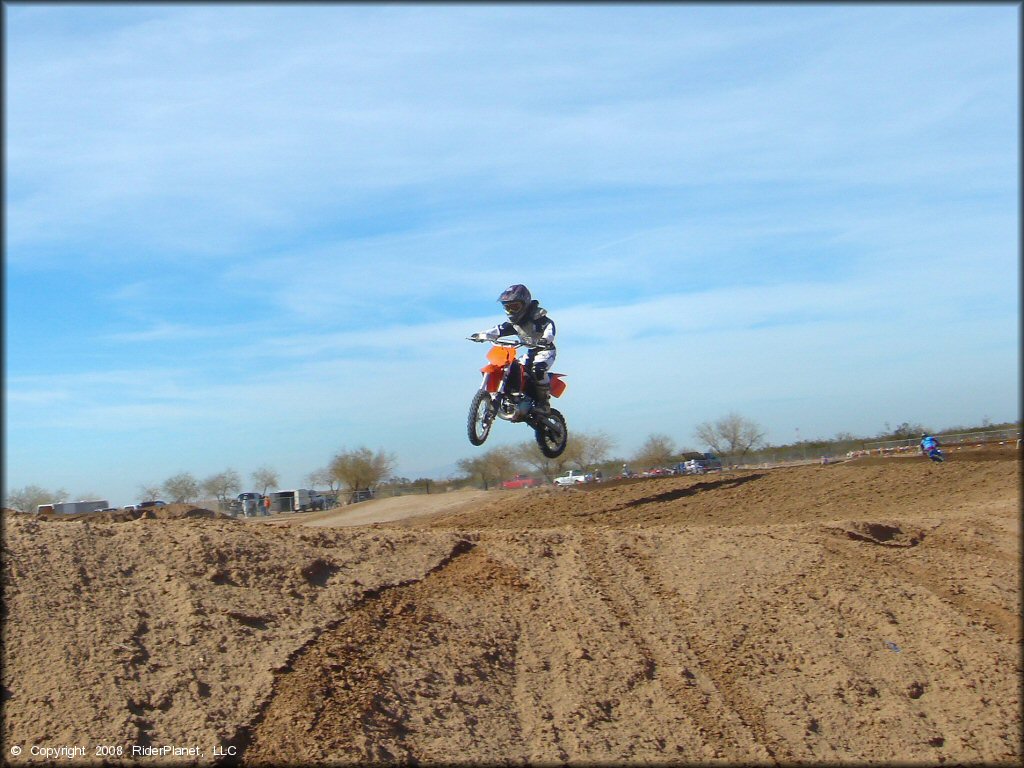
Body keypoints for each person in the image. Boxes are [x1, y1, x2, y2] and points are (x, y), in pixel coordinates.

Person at [471, 284, 557, 413]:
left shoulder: (538, 318)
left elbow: (549, 328)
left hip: (545, 351)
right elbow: (498, 330)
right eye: (508, 307)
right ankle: (513, 395)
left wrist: (546, 339)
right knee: (513, 367)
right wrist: (482, 335)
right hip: (530, 352)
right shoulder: (515, 324)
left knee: (538, 370)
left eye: (515, 307)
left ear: (525, 304)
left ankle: (543, 403)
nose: (511, 311)